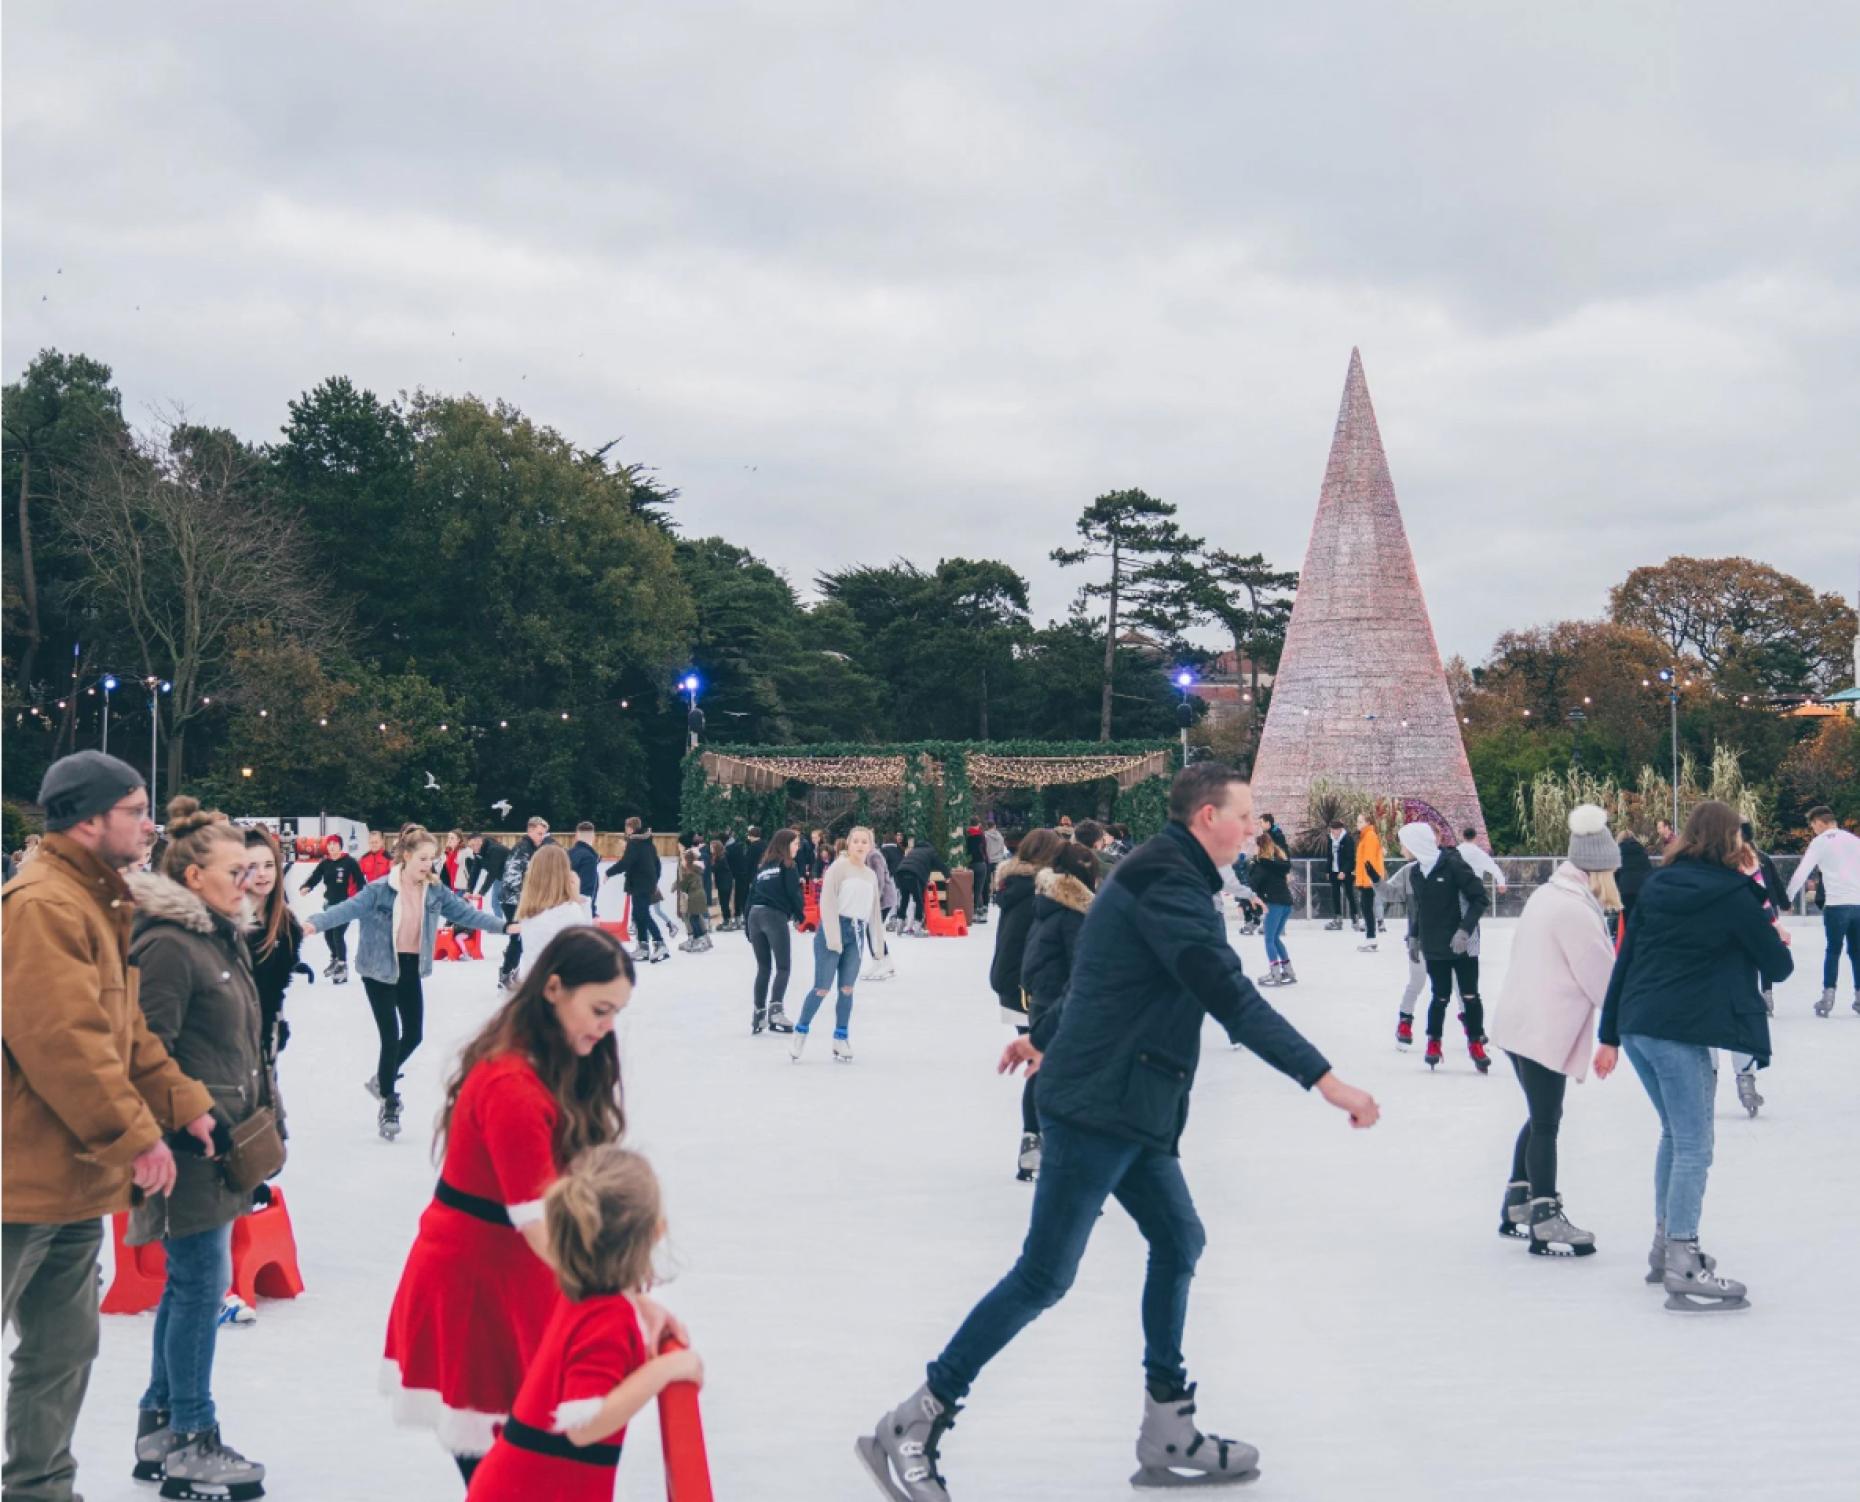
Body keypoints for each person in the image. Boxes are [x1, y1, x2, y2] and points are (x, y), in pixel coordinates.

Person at [858, 766, 1379, 1498]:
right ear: (1207, 817)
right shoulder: (1169, 883)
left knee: (1179, 1240)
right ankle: (914, 1421)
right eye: (1247, 814)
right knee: (1044, 1275)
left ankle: (1167, 1426)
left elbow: (1103, 978)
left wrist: (1048, 1037)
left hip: (1131, 1096)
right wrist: (1324, 1079)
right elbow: (1227, 993)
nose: (1256, 827)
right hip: (1102, 1104)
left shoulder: (1161, 873)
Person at [380, 928, 678, 1488]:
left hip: (521, 1280)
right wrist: (620, 1301)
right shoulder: (511, 1084)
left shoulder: (564, 1061)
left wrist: (631, 1298)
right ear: (554, 989)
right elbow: (543, 1222)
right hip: (476, 1292)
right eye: (599, 1009)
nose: (607, 1025)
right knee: (505, 1474)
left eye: (616, 1012)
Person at [3, 753, 217, 1502]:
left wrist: (185, 1100)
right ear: (90, 819)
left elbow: (125, 1034)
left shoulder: (100, 900)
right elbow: (63, 1042)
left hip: (70, 1179)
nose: (150, 822)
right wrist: (136, 1135)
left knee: (63, 1351)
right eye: (136, 808)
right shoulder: (43, 905)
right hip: (15, 1178)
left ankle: (39, 1489)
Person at [124, 797, 279, 1497]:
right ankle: (191, 1436)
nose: (248, 879)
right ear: (192, 876)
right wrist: (200, 1118)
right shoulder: (166, 944)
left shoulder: (221, 936)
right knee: (198, 1287)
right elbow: (144, 1048)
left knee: (192, 1286)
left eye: (251, 868)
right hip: (188, 1147)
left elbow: (242, 1043)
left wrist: (261, 1115)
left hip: (224, 1141)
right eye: (234, 869)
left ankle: (160, 1426)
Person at [1595, 800, 1792, 1312]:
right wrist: (1770, 932)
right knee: (1696, 1146)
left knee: (1674, 1134)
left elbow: (1627, 956)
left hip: (1639, 1023)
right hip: (1678, 1030)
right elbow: (1779, 965)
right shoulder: (1734, 893)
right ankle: (1683, 1260)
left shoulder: (1659, 884)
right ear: (1732, 841)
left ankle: (1666, 1248)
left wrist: (1610, 1032)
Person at [462, 1145, 700, 1501]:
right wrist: (666, 1370)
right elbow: (583, 1425)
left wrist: (640, 1305)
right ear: (655, 1232)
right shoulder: (608, 1318)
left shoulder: (584, 1295)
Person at [304, 826, 512, 1139]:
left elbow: (467, 914)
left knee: (414, 1034)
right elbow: (348, 908)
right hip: (378, 968)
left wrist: (505, 927)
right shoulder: (380, 890)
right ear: (406, 856)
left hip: (410, 967)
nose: (429, 864)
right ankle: (389, 1101)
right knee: (391, 1036)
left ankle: (382, 1079)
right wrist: (314, 923)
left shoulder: (436, 890)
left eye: (432, 858)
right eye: (423, 858)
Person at [1484, 806, 1621, 1256]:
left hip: (1520, 1022)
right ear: (1599, 870)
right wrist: (1624, 1025)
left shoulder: (1549, 894)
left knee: (1541, 1115)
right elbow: (1602, 979)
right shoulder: (1574, 911)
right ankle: (1544, 1217)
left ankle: (1517, 1201)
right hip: (1542, 1028)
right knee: (1545, 1121)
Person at [1012, 841, 1099, 1183]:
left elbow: (1028, 957)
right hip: (1064, 1004)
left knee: (1042, 1072)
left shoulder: (1045, 904)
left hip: (1042, 1001)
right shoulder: (1074, 915)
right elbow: (1083, 968)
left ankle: (1032, 1140)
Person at [989, 830, 1064, 1178]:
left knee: (1042, 1064)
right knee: (1045, 1065)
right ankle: (1037, 1142)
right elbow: (1025, 945)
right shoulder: (1036, 891)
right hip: (1030, 989)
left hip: (1015, 986)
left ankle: (1034, 1143)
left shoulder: (1014, 886)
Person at [1396, 822, 1491, 1071]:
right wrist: (1414, 937)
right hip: (1434, 944)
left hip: (1463, 944)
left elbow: (1480, 898)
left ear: (1416, 843)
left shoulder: (1453, 864)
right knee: (1440, 996)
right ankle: (1434, 1042)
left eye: (1403, 843)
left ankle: (1475, 1043)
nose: (1401, 848)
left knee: (1469, 996)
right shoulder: (1415, 872)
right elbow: (1420, 910)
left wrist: (1464, 930)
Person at [791, 827, 887, 1063]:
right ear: (849, 844)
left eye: (865, 841)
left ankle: (840, 1037)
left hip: (856, 934)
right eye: (856, 841)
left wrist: (878, 945)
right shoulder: (839, 867)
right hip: (832, 931)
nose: (860, 845)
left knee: (847, 989)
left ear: (870, 846)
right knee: (822, 988)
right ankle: (801, 1031)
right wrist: (833, 937)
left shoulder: (870, 875)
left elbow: (874, 912)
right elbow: (828, 902)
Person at [1784, 805, 1860, 1017]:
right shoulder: (1854, 840)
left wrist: (1787, 899)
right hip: (1858, 904)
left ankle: (1828, 997)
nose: (1813, 830)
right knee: (1857, 952)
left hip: (1836, 904)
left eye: (1812, 826)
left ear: (1819, 822)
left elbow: (1802, 872)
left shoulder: (1820, 842)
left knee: (1833, 951)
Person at [244, 826, 306, 1066]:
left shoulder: (285, 924)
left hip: (265, 1043)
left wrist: (275, 1025)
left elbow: (275, 988)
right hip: (226, 1046)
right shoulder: (223, 921)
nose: (262, 874)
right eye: (253, 867)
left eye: (269, 865)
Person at [744, 830, 805, 1035]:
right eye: (795, 843)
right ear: (785, 844)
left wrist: (747, 924)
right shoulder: (788, 865)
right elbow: (793, 893)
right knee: (783, 967)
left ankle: (758, 1015)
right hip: (773, 916)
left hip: (755, 915)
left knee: (763, 967)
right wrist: (801, 916)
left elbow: (750, 895)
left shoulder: (762, 867)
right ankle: (776, 1010)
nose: (798, 847)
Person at [514, 844, 594, 981]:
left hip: (531, 985)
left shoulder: (529, 912)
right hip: (558, 988)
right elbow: (588, 949)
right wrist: (578, 900)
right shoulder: (568, 911)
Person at [299, 833, 365, 983]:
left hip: (346, 906)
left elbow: (361, 883)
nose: (332, 847)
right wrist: (307, 887)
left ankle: (342, 967)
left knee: (337, 934)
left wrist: (361, 900)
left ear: (340, 846)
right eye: (329, 844)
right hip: (329, 905)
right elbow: (315, 877)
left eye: (335, 844)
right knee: (328, 935)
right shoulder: (325, 863)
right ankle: (335, 959)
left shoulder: (350, 862)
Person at [498, 818, 552, 988]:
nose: (541, 837)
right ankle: (506, 975)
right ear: (530, 831)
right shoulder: (522, 848)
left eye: (543, 834)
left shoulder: (531, 848)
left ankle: (510, 973)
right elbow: (511, 878)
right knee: (518, 938)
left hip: (519, 900)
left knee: (520, 939)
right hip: (513, 901)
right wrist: (524, 899)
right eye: (539, 833)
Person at [609, 818, 669, 964]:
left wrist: (608, 873)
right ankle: (643, 946)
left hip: (640, 885)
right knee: (638, 914)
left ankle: (660, 943)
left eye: (626, 827)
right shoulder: (648, 843)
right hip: (643, 884)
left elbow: (626, 862)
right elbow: (657, 864)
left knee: (643, 914)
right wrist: (654, 881)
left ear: (630, 828)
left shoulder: (634, 843)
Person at [1384, 858, 1428, 1045]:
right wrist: (1376, 881)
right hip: (1417, 937)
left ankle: (1472, 1028)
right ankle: (1405, 1020)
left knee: (1457, 984)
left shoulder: (1450, 865)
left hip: (1444, 938)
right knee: (1416, 981)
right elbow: (1389, 892)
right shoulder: (1410, 870)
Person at [1248, 831, 1297, 986]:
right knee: (1275, 938)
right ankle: (1288, 971)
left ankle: (1275, 973)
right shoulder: (1279, 861)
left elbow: (1253, 884)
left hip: (1275, 904)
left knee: (1269, 939)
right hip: (1286, 904)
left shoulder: (1262, 865)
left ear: (1260, 847)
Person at [862, 843, 901, 981]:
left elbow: (879, 880)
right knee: (871, 931)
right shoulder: (867, 856)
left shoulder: (874, 856)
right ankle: (879, 962)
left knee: (873, 931)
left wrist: (875, 898)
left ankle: (884, 963)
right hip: (878, 900)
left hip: (883, 900)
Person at [896, 836, 948, 935]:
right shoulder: (930, 851)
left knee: (904, 900)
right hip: (914, 874)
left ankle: (899, 925)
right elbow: (940, 864)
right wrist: (947, 875)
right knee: (919, 901)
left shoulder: (914, 851)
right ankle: (917, 928)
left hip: (901, 872)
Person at [1353, 813, 1384, 950]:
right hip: (1365, 879)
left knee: (1367, 909)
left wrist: (1367, 880)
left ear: (1367, 822)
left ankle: (1371, 938)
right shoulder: (1366, 836)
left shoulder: (1370, 836)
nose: (1357, 824)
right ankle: (1370, 938)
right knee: (1366, 909)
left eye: (1360, 821)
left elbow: (1369, 861)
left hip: (1368, 881)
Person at [1454, 828, 1509, 901]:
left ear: (1463, 837)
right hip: (1475, 885)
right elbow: (1493, 867)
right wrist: (1501, 882)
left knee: (1461, 908)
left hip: (1459, 885)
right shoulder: (1479, 853)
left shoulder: (1456, 852)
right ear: (1475, 837)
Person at [675, 848, 713, 953]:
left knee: (693, 918)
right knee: (694, 917)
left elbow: (685, 884)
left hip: (695, 897)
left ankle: (699, 938)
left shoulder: (691, 871)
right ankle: (699, 939)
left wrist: (677, 886)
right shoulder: (695, 869)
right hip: (697, 896)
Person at [1323, 817, 1357, 930]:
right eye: (1332, 830)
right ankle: (1338, 918)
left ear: (1340, 829)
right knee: (1335, 895)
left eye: (1335, 830)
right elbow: (1329, 856)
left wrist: (1344, 871)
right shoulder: (1330, 839)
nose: (1333, 832)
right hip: (1334, 871)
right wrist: (1328, 870)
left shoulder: (1347, 839)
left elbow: (1350, 858)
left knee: (1350, 894)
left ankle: (1355, 917)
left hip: (1345, 872)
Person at [1616, 831, 1653, 923]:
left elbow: (1616, 872)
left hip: (1625, 888)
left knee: (1627, 919)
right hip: (1642, 888)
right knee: (1640, 918)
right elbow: (1648, 869)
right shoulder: (1641, 850)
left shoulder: (1618, 852)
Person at [568, 823, 603, 917]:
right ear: (593, 837)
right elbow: (588, 892)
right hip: (581, 911)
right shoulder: (589, 858)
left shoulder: (567, 854)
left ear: (576, 835)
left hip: (566, 906)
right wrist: (592, 913)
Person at [710, 835, 737, 931]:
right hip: (723, 883)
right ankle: (726, 920)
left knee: (724, 902)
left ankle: (728, 921)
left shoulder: (721, 858)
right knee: (723, 903)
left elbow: (714, 869)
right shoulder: (718, 857)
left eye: (712, 847)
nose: (710, 849)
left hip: (725, 883)